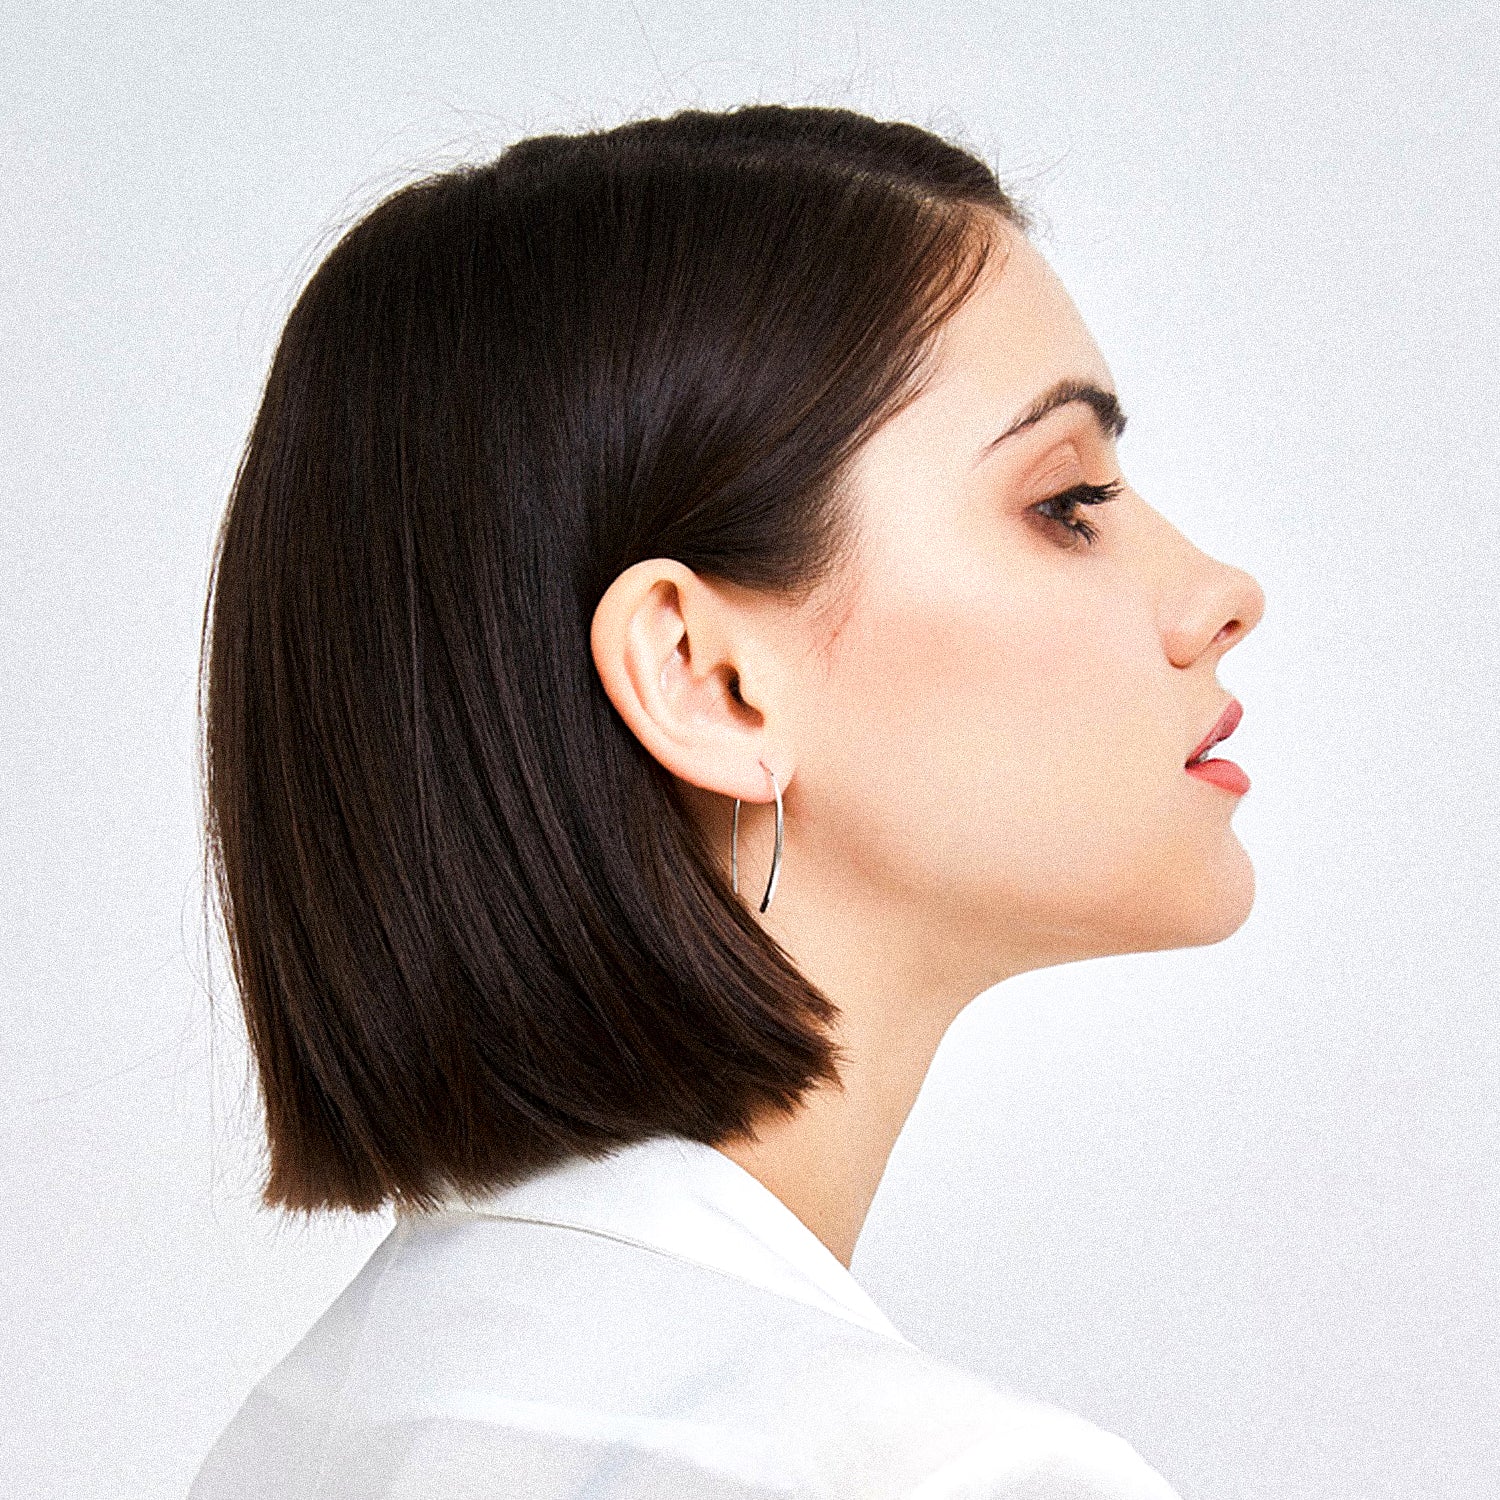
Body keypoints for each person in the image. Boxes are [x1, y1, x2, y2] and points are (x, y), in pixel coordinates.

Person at [189, 101, 1264, 1499]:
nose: (1223, 595)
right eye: (1068, 501)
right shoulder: (945, 1479)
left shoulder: (297, 1444)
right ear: (707, 681)